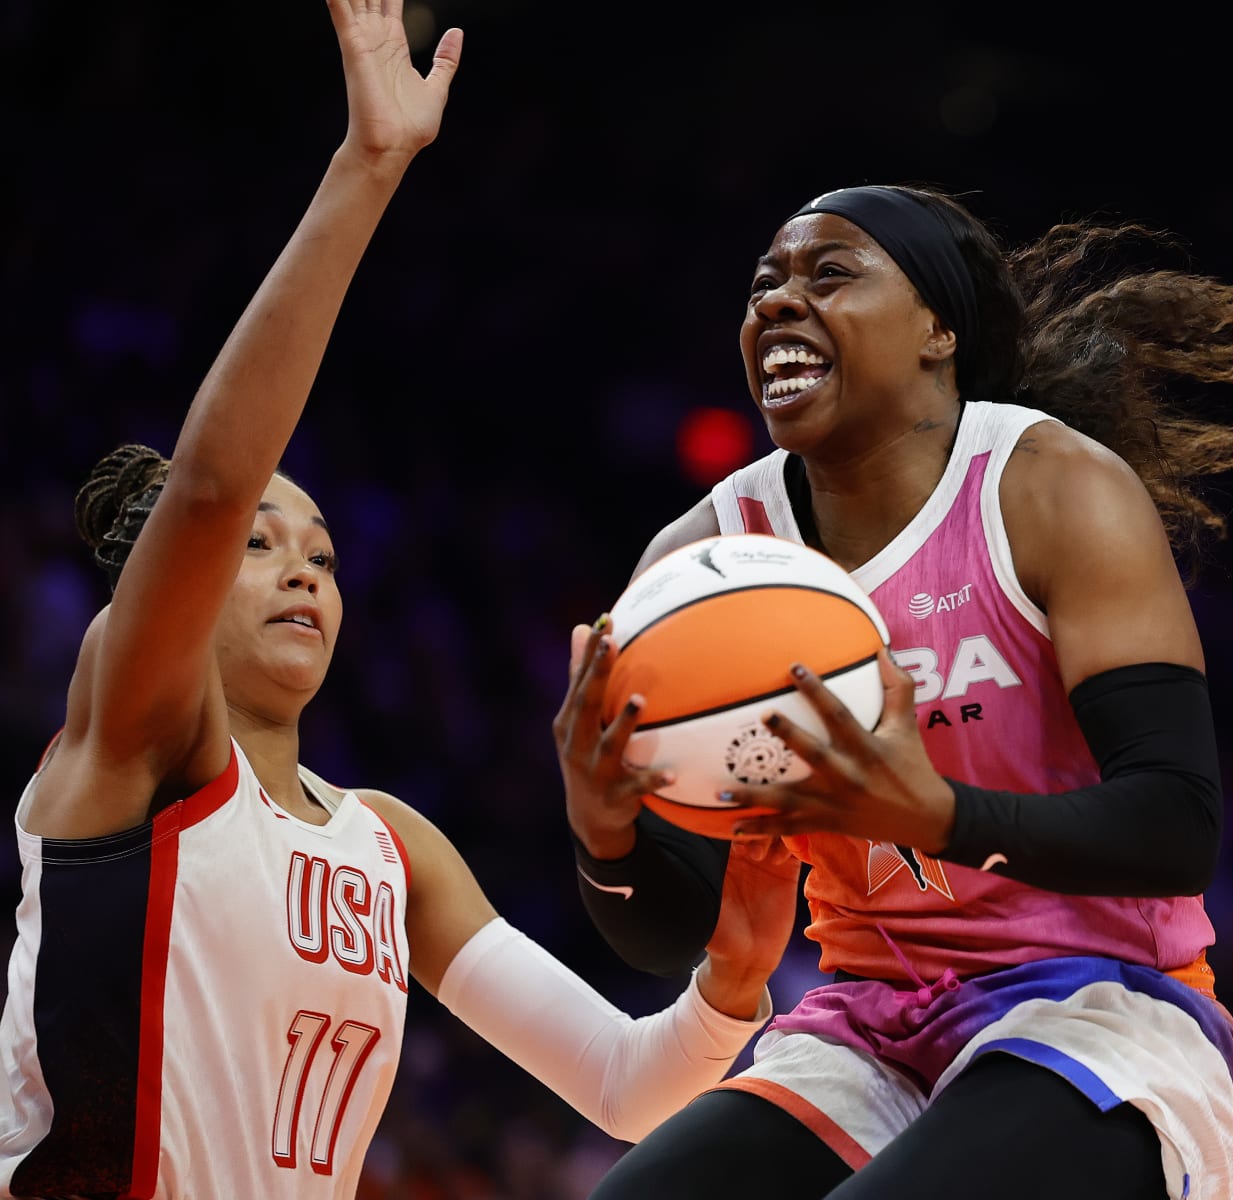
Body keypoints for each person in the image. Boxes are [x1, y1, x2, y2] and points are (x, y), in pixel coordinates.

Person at [0, 4, 801, 1196]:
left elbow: (629, 1085)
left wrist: (733, 979)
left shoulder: (390, 847)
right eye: (262, 547)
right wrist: (368, 167)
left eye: (322, 555)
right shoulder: (134, 731)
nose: (303, 571)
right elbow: (214, 484)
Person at [553, 174, 1233, 1197]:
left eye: (831, 274)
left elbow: (1178, 828)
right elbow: (668, 931)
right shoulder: (705, 561)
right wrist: (606, 835)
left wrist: (939, 814)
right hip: (866, 1025)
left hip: (1100, 1010)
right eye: (763, 286)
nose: (779, 303)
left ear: (936, 329)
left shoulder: (1052, 488)